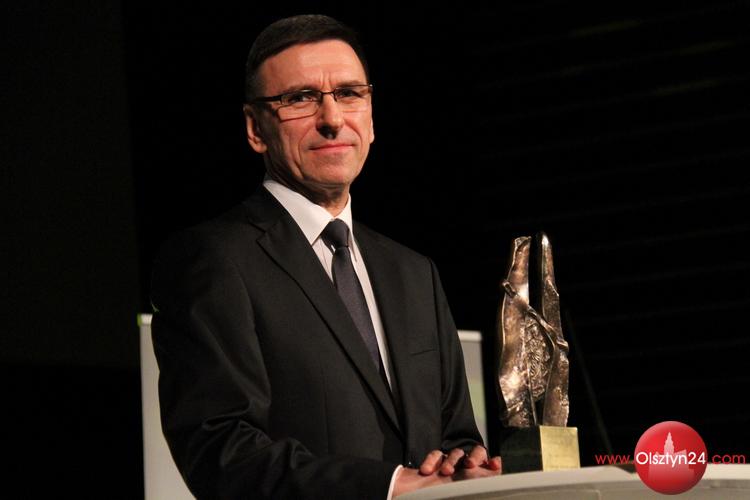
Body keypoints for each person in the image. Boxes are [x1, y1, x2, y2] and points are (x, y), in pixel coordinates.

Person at [150, 14, 501, 499]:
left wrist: (464, 464)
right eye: (300, 98)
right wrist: (388, 486)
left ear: (371, 118)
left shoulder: (414, 272)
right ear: (255, 128)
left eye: (350, 94)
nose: (332, 119)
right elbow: (221, 451)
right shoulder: (212, 260)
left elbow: (455, 434)